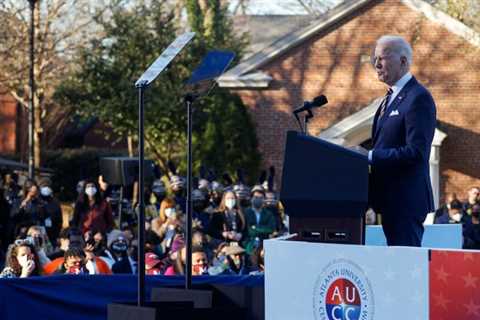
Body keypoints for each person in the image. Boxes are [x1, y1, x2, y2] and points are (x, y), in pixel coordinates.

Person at [368, 35, 436, 246]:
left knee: (405, 269)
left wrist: (369, 156)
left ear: (404, 61)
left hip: (405, 200)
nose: (376, 64)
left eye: (383, 58)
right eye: (375, 58)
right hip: (388, 200)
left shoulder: (418, 97)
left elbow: (416, 152)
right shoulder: (388, 99)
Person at [243, 188, 276, 254]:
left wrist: (255, 227)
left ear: (264, 199)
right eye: (256, 197)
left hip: (264, 244)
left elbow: (271, 229)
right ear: (251, 199)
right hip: (248, 243)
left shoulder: (268, 214)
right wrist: (262, 228)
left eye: (261, 197)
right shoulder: (245, 212)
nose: (258, 199)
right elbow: (248, 230)